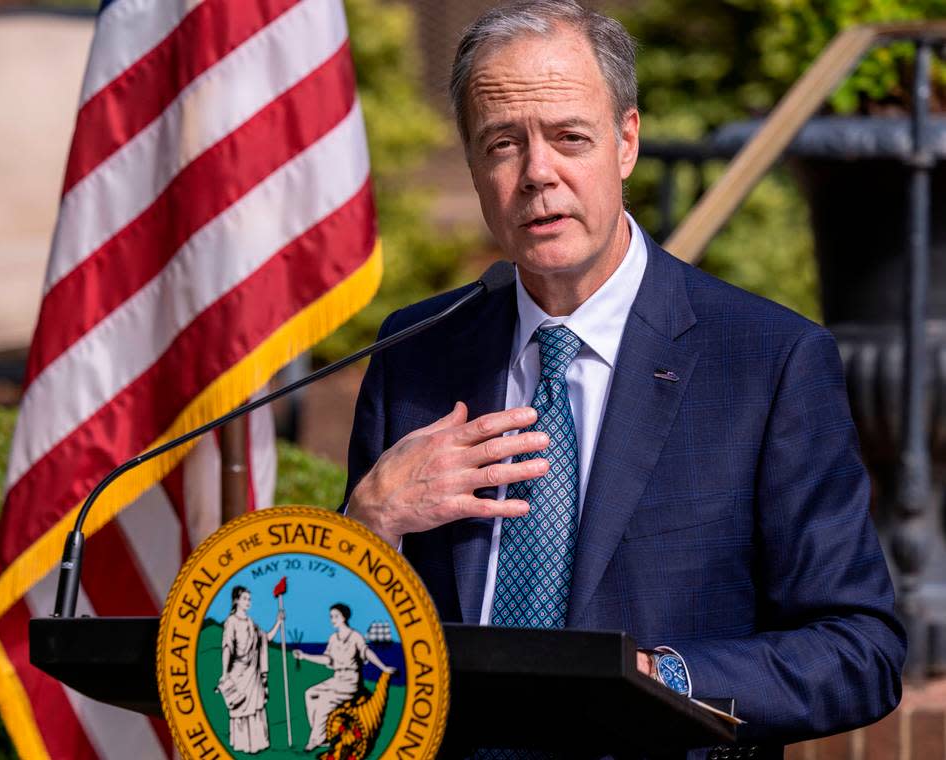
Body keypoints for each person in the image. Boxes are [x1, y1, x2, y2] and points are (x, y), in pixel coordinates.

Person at [343, 0, 905, 753]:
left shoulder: (768, 362)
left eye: (569, 137)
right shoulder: (414, 353)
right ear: (475, 166)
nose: (538, 173)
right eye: (503, 144)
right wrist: (366, 525)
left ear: (626, 142)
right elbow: (350, 653)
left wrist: (664, 679)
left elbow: (858, 651)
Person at [291, 603, 396, 752]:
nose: (332, 619)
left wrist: (383, 667)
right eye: (331, 617)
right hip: (337, 679)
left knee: (324, 703)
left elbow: (367, 653)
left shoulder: (355, 636)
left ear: (344, 617)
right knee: (309, 693)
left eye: (336, 616)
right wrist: (304, 656)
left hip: (351, 682)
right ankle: (322, 734)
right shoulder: (333, 638)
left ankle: (316, 739)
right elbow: (327, 659)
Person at [218, 586, 284, 754]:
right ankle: (242, 745)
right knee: (239, 708)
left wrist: (278, 622)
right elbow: (227, 647)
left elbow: (266, 638)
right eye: (245, 599)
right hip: (238, 672)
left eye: (249, 599)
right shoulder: (231, 622)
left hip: (253, 673)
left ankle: (257, 744)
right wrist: (225, 674)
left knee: (256, 707)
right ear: (236, 601)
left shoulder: (251, 623)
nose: (248, 602)